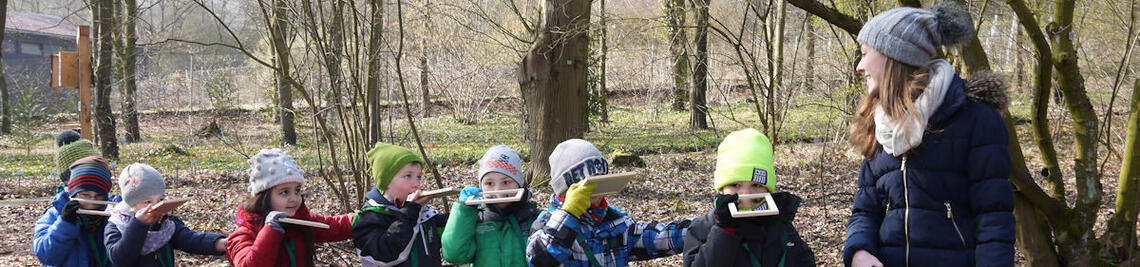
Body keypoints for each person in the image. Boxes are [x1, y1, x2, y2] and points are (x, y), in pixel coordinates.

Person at [842, 2, 1015, 266]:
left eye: (866, 53)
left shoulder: (975, 119)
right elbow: (865, 209)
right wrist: (859, 251)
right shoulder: (879, 123)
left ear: (894, 55)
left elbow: (994, 220)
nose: (860, 66)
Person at [526, 139, 691, 266]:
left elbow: (661, 237)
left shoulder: (616, 222)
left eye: (600, 179)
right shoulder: (545, 223)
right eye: (587, 182)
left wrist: (707, 223)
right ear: (565, 187)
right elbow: (539, 259)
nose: (594, 188)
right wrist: (570, 213)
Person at [683, 128, 816, 266]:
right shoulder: (702, 228)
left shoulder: (780, 225)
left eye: (756, 185)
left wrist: (782, 223)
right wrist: (725, 231)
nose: (745, 194)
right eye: (735, 185)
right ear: (721, 189)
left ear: (768, 190)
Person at [227, 148, 354, 267]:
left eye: (297, 191)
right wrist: (271, 230)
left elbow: (336, 226)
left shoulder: (301, 222)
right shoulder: (244, 234)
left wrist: (365, 216)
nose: (294, 198)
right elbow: (248, 264)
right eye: (284, 192)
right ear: (264, 196)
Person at [104, 163, 227, 266]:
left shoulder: (166, 222)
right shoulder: (116, 225)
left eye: (160, 200)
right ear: (131, 204)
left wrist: (220, 243)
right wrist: (138, 225)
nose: (156, 206)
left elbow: (190, 239)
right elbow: (120, 259)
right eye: (147, 202)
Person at [441, 145, 540, 266]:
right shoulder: (476, 219)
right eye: (489, 183)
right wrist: (464, 211)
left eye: (506, 182)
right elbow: (454, 255)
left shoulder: (534, 219)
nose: (497, 190)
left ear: (518, 184)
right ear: (481, 186)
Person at [353, 142, 448, 266]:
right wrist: (410, 212)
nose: (416, 184)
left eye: (418, 177)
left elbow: (447, 232)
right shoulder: (369, 217)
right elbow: (383, 256)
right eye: (408, 176)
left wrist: (466, 210)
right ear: (386, 182)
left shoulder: (423, 213)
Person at [33, 156, 121, 267]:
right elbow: (46, 256)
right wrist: (65, 224)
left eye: (99, 196)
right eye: (85, 195)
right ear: (73, 193)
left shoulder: (116, 213)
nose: (92, 202)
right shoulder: (55, 214)